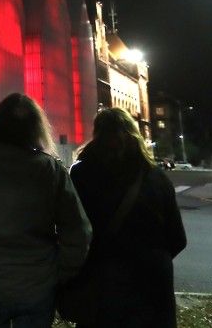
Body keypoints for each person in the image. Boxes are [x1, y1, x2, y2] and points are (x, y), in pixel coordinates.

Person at [0, 93, 92, 328]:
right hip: (39, 283)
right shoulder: (50, 170)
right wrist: (61, 272)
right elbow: (78, 230)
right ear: (37, 128)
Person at [69, 107, 187, 328]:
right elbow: (178, 238)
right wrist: (150, 259)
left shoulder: (82, 174)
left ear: (97, 134)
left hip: (104, 279)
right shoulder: (157, 178)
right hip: (153, 282)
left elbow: (74, 228)